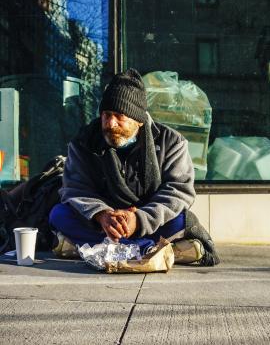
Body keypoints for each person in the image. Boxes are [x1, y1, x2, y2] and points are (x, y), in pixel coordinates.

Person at [49, 68, 219, 266]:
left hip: (147, 221)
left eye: (119, 115)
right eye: (106, 114)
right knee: (59, 214)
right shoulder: (84, 141)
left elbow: (179, 191)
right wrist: (102, 215)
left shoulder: (171, 141)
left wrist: (138, 220)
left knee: (181, 220)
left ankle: (94, 249)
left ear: (138, 120)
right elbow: (75, 188)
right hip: (102, 224)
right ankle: (148, 249)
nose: (110, 123)